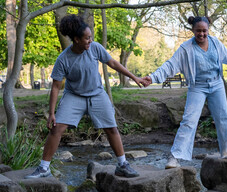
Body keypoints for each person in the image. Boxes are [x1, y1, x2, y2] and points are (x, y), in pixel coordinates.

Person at [25, 15, 146, 179]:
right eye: (87, 38)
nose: (90, 40)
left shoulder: (95, 48)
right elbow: (55, 87)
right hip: (74, 96)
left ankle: (123, 164)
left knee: (111, 128)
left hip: (97, 94)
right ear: (76, 39)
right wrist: (51, 113)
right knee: (56, 128)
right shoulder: (63, 59)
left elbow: (113, 63)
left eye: (91, 37)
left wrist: (134, 78)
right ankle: (44, 168)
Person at [144, 16, 227, 169]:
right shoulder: (186, 48)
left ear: (208, 30)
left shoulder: (215, 43)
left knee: (224, 116)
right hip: (197, 86)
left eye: (204, 31)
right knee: (189, 121)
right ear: (193, 30)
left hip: (216, 84)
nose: (202, 34)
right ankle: (174, 157)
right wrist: (152, 77)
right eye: (198, 31)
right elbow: (170, 65)